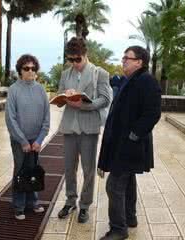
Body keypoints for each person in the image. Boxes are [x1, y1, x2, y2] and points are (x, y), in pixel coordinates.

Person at [97, 46, 161, 240]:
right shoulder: (130, 80)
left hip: (130, 144)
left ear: (139, 62)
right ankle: (130, 218)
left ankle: (118, 229)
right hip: (121, 143)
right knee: (128, 181)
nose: (123, 60)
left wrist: (134, 135)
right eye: (123, 57)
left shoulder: (147, 81)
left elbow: (152, 113)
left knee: (113, 186)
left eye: (127, 58)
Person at [57, 37, 112, 223]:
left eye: (77, 59)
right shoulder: (65, 74)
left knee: (88, 169)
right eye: (70, 60)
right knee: (68, 168)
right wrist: (64, 97)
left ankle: (85, 205)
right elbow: (59, 94)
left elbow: (105, 99)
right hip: (69, 127)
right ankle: (70, 200)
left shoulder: (100, 73)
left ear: (85, 54)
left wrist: (84, 105)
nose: (74, 63)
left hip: (89, 127)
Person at [5, 54, 50, 220]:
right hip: (20, 140)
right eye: (26, 68)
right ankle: (18, 205)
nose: (30, 71)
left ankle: (33, 202)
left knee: (33, 171)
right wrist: (23, 141)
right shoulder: (14, 90)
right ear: (20, 71)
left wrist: (39, 140)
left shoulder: (41, 89)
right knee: (20, 171)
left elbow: (47, 117)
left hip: (35, 140)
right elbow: (10, 119)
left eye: (33, 68)